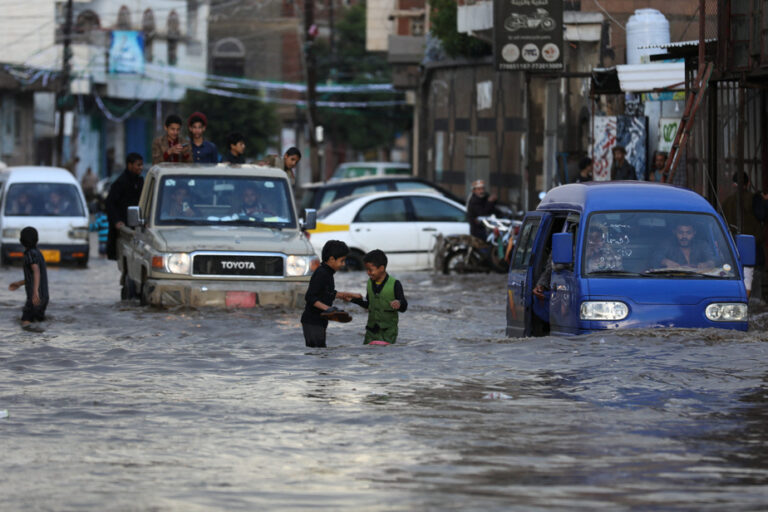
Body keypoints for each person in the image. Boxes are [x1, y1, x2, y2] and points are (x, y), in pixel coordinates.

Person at [300, 240, 357, 348]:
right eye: (342, 261)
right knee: (317, 353)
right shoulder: (322, 273)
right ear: (331, 259)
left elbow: (326, 293)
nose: (344, 264)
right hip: (312, 322)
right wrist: (329, 309)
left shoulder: (328, 273)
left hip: (319, 321)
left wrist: (348, 295)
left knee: (320, 352)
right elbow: (310, 297)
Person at [721, 171, 768, 297]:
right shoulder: (754, 199)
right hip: (753, 247)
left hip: (732, 246)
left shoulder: (726, 202)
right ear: (748, 183)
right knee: (754, 279)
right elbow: (762, 215)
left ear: (733, 185)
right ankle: (753, 304)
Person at [349, 249, 408, 345]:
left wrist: (399, 303)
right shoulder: (369, 283)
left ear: (381, 268)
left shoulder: (395, 284)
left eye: (370, 270)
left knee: (384, 356)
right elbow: (369, 304)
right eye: (366, 270)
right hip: (371, 331)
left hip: (388, 332)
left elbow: (404, 306)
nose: (368, 273)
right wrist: (353, 300)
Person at [8, 227, 49, 332]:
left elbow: (36, 271)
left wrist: (35, 292)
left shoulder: (30, 253)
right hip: (43, 297)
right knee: (37, 324)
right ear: (37, 240)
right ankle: (40, 345)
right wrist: (19, 283)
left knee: (25, 323)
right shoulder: (38, 253)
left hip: (35, 297)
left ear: (21, 241)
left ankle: (29, 345)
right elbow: (34, 276)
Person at [105, 153, 144, 260]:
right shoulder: (120, 183)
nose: (141, 167)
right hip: (124, 228)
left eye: (141, 165)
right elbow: (110, 203)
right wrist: (117, 221)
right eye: (138, 165)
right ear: (130, 165)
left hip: (138, 226)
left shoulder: (140, 182)